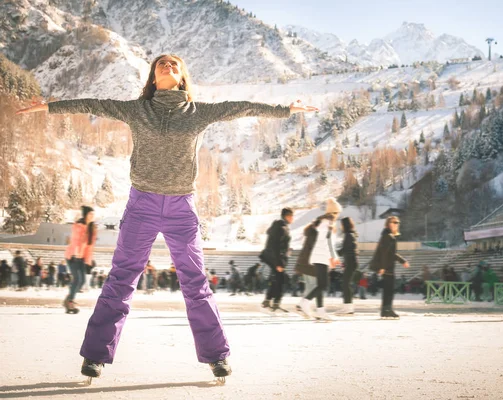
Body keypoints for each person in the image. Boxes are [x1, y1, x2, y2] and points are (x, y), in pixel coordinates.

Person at [18, 53, 317, 380]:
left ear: (182, 77)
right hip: (141, 206)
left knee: (195, 282)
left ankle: (216, 355)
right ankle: (95, 356)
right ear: (153, 76)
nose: (168, 65)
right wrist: (49, 106)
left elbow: (241, 107)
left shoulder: (197, 112)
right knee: (121, 278)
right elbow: (94, 104)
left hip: (181, 209)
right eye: (162, 63)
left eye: (174, 64)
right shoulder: (137, 109)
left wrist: (285, 111)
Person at [296, 198, 342, 321]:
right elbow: (328, 241)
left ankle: (320, 311)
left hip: (319, 256)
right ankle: (304, 303)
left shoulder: (323, 222)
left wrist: (333, 257)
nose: (338, 216)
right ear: (334, 212)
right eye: (337, 213)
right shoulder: (329, 223)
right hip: (321, 257)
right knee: (323, 284)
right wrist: (333, 257)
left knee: (320, 284)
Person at [369, 216, 409, 319]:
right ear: (388, 224)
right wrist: (382, 267)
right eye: (393, 222)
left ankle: (385, 310)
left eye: (397, 222)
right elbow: (384, 253)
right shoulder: (387, 236)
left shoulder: (389, 236)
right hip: (387, 267)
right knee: (388, 290)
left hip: (388, 266)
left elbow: (392, 253)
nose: (396, 224)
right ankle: (387, 310)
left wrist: (402, 261)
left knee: (388, 290)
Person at [64, 206, 97, 313]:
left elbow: (89, 247)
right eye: (90, 214)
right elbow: (75, 241)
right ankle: (70, 302)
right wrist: (75, 254)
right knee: (77, 279)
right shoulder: (79, 226)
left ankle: (69, 299)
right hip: (73, 256)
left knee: (82, 280)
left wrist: (88, 261)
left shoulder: (92, 228)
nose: (92, 216)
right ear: (85, 215)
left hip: (82, 258)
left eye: (93, 214)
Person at [260, 208, 293, 312]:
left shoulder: (281, 226)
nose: (292, 218)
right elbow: (275, 247)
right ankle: (275, 303)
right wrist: (278, 263)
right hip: (275, 258)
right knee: (281, 279)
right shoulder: (280, 227)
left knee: (277, 279)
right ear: (286, 216)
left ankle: (268, 300)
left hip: (275, 257)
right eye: (291, 216)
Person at [336, 217, 359, 315]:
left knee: (346, 284)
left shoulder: (349, 235)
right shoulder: (350, 235)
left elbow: (345, 250)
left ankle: (348, 307)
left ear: (345, 225)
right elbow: (348, 251)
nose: (341, 227)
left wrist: (333, 254)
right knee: (346, 284)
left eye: (341, 225)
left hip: (351, 263)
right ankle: (347, 307)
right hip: (350, 262)